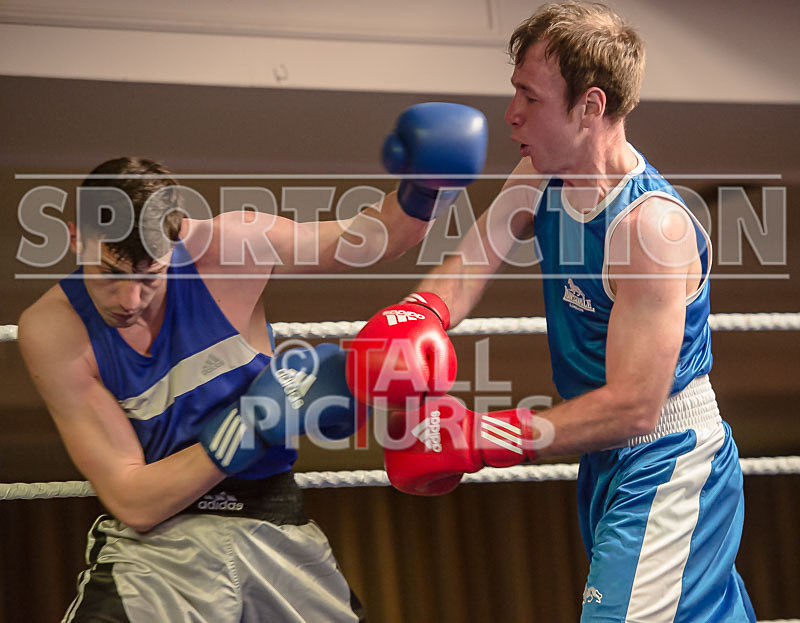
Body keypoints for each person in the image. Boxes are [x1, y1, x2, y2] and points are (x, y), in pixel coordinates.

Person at [347, 3, 757, 621]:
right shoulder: (541, 175)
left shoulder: (651, 229)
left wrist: (481, 436)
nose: (510, 113)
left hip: (668, 455)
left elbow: (635, 404)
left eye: (529, 97)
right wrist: (419, 313)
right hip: (604, 456)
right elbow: (474, 259)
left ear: (590, 107)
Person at [17, 101, 489, 622]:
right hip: (156, 553)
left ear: (174, 245)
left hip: (276, 529)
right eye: (109, 273)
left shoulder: (230, 248)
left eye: (149, 276)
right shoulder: (53, 331)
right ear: (73, 238)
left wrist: (428, 186)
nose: (130, 299)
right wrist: (248, 426)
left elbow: (378, 239)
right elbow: (133, 499)